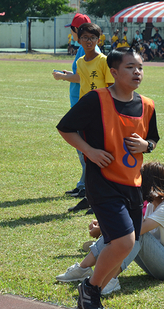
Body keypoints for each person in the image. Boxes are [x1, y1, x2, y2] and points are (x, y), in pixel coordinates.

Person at [56, 47, 159, 309]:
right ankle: (90, 290)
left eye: (140, 67)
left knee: (126, 245)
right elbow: (65, 128)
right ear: (113, 72)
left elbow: (153, 139)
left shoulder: (146, 105)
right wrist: (89, 150)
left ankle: (91, 293)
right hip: (102, 181)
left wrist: (146, 145)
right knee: (124, 241)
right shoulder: (96, 99)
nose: (137, 72)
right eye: (129, 67)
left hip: (133, 184)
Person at [56, 162, 164, 293]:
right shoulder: (152, 206)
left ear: (151, 184)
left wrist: (104, 228)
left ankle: (110, 279)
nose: (137, 184)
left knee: (135, 233)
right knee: (124, 234)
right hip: (161, 260)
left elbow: (135, 230)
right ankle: (83, 268)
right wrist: (104, 223)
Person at [54, 22, 113, 211]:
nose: (89, 41)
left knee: (98, 154)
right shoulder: (80, 62)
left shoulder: (104, 61)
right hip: (84, 111)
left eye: (93, 38)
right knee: (86, 154)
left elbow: (111, 86)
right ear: (78, 39)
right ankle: (89, 196)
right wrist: (64, 77)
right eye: (85, 37)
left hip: (101, 113)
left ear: (98, 40)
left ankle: (99, 198)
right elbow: (81, 78)